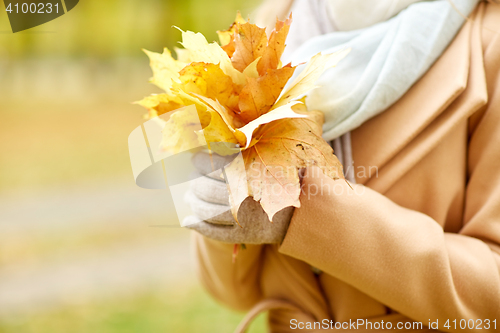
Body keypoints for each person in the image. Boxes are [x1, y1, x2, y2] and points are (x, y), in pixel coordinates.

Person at [184, 0, 500, 332]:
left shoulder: (487, 40)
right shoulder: (268, 31)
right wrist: (217, 210)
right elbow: (234, 292)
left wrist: (306, 211)